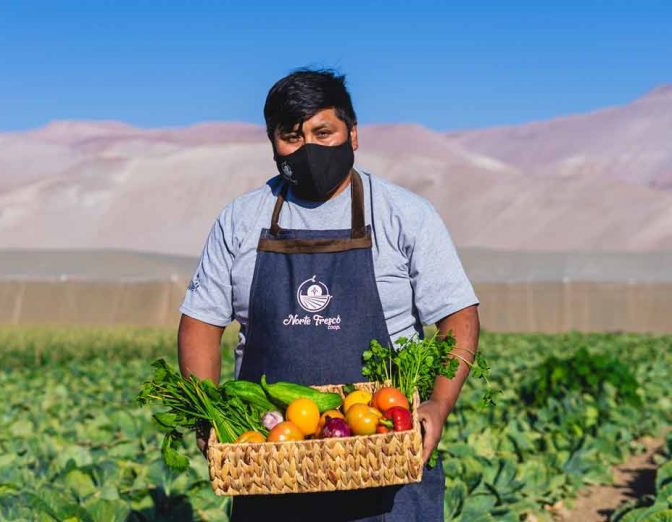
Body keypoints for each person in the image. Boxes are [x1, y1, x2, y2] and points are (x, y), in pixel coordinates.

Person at [177, 68, 480, 522]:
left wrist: (437, 406)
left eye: (324, 132)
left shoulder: (405, 215)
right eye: (291, 136)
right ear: (272, 142)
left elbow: (458, 318)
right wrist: (210, 416)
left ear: (353, 134)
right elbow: (200, 324)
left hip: (388, 460)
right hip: (270, 463)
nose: (309, 148)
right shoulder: (240, 220)